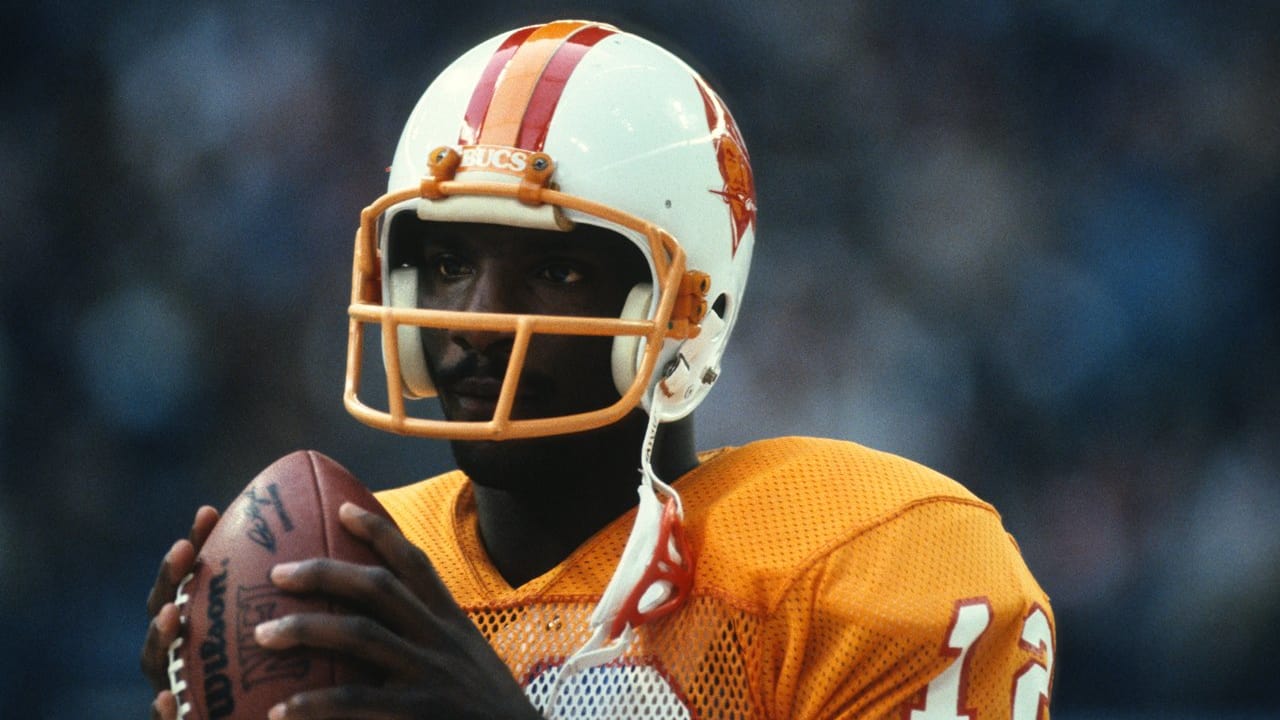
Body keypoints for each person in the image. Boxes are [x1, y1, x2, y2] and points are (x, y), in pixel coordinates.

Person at [142, 19, 1055, 719]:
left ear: (688, 305)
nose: (477, 322)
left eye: (558, 269)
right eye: (451, 264)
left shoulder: (861, 569)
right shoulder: (367, 570)